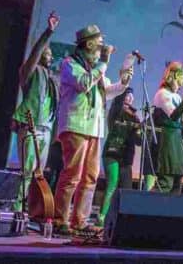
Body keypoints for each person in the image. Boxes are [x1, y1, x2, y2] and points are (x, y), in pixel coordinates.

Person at [52, 25, 132, 234]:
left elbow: (107, 90)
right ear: (88, 44)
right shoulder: (70, 64)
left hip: (94, 129)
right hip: (76, 126)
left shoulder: (95, 68)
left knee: (90, 176)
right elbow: (84, 84)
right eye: (99, 43)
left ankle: (80, 220)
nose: (101, 48)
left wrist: (122, 83)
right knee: (72, 174)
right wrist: (104, 62)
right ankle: (61, 220)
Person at [11, 11, 59, 213]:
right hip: (30, 126)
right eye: (47, 55)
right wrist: (48, 32)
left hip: (45, 129)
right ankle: (16, 208)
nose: (50, 57)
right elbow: (35, 53)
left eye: (50, 55)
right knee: (26, 171)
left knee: (38, 172)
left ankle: (30, 209)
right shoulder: (29, 73)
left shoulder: (52, 78)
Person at [152, 61, 183, 194]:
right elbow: (173, 116)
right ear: (175, 75)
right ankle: (146, 208)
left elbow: (178, 121)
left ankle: (169, 213)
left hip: (177, 142)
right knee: (165, 183)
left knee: (177, 184)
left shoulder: (177, 96)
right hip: (167, 141)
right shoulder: (162, 94)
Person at [98, 88, 141, 224]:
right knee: (112, 183)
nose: (130, 98)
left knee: (126, 190)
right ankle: (102, 217)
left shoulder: (134, 116)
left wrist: (141, 128)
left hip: (126, 158)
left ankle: (122, 221)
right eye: (128, 95)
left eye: (132, 96)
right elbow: (118, 104)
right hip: (113, 152)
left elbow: (138, 141)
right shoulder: (115, 112)